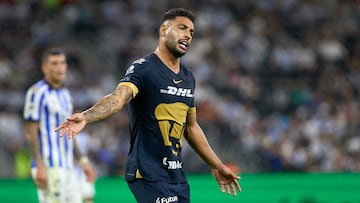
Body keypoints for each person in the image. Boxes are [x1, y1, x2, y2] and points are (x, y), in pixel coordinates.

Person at [56, 8, 241, 202]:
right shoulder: (143, 68)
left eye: (191, 32)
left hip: (176, 175)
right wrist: (86, 116)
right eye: (182, 28)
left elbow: (191, 127)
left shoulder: (188, 78)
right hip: (147, 172)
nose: (188, 35)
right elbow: (118, 98)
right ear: (163, 30)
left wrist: (218, 165)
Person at [23, 47, 97, 203]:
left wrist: (83, 162)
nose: (59, 67)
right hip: (49, 165)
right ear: (44, 67)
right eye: (54, 63)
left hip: (68, 165)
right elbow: (30, 131)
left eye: (62, 63)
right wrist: (39, 164)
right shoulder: (37, 92)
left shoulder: (66, 95)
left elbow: (70, 132)